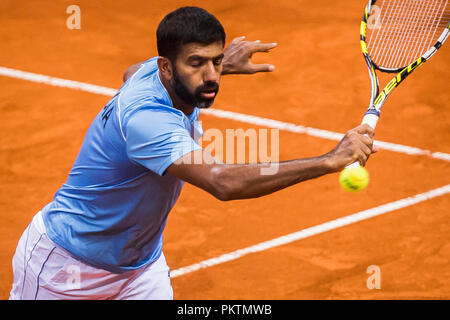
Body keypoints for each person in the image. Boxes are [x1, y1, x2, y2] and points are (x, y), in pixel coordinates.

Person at [9, 6, 375, 300]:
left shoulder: (155, 75)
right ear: (166, 67)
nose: (211, 76)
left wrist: (217, 67)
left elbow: (131, 71)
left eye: (216, 61)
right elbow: (221, 182)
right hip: (66, 270)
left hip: (139, 270)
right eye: (196, 63)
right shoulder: (147, 121)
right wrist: (328, 160)